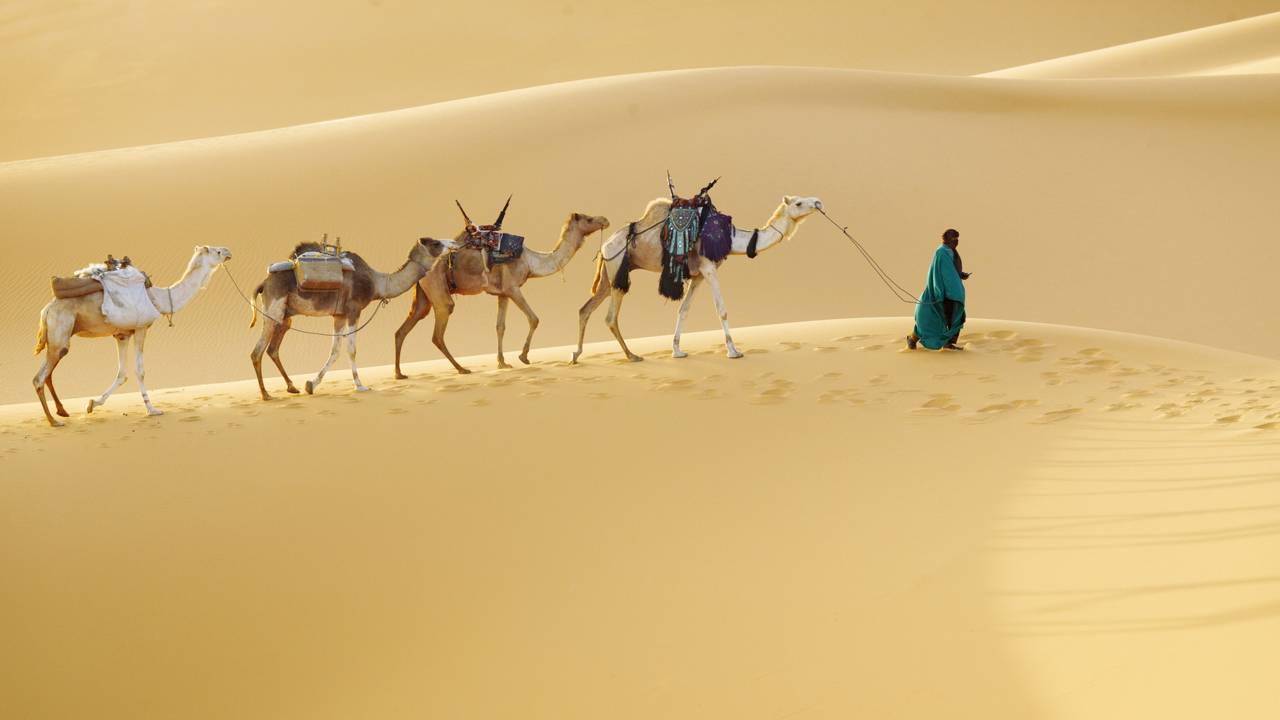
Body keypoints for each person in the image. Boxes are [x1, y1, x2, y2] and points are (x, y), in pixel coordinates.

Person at [907, 228, 969, 350]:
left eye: (957, 239)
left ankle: (948, 343)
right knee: (928, 320)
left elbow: (951, 271)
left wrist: (961, 274)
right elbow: (937, 274)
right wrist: (939, 293)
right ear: (948, 239)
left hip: (953, 294)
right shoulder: (941, 252)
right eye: (954, 239)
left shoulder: (951, 251)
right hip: (941, 294)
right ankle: (912, 339)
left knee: (957, 317)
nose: (956, 241)